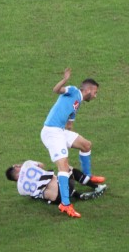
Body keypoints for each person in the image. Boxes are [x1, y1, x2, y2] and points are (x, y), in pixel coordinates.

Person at [40, 67, 105, 218]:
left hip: (61, 131)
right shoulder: (73, 90)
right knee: (63, 167)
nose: (95, 96)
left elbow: (69, 125)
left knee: (86, 145)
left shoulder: (77, 102)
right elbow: (56, 90)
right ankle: (65, 204)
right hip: (51, 132)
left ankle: (87, 176)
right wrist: (65, 79)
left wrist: (70, 136)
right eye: (95, 92)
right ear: (88, 90)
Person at [5, 160, 107, 206]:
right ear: (16, 167)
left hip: (56, 201)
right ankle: (96, 186)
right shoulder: (27, 164)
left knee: (42, 192)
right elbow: (42, 165)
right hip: (62, 188)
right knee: (67, 169)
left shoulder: (20, 189)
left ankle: (78, 195)